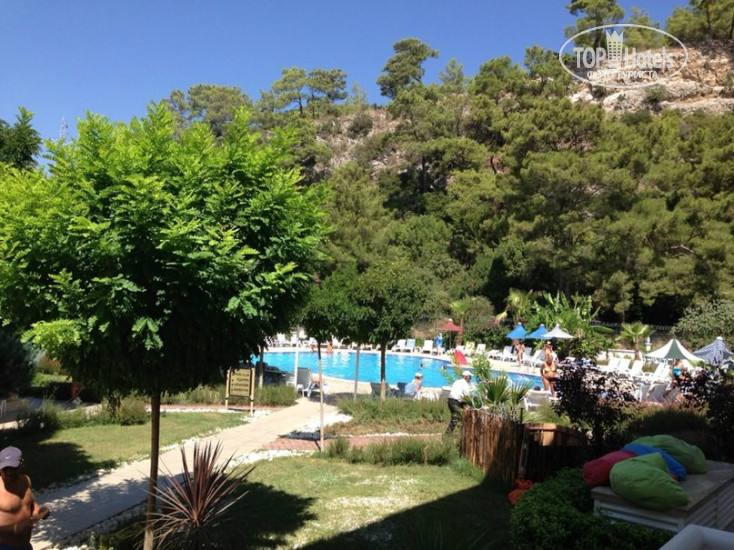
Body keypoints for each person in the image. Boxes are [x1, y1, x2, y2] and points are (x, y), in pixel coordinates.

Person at [0, 446, 49, 550]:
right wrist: (14, 528)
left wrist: (40, 512)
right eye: (5, 468)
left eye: (13, 468)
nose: (8, 472)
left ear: (21, 463)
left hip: (25, 545)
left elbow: (29, 504)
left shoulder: (26, 480)